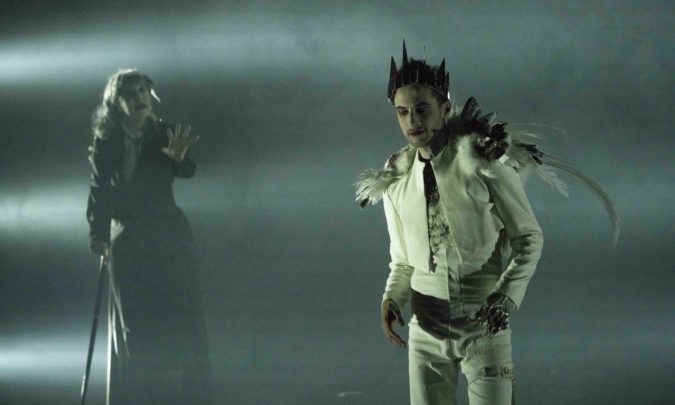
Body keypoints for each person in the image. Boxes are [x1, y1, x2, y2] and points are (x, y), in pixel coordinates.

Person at [355, 42, 545, 405]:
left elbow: (529, 237)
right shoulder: (396, 176)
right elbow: (403, 259)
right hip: (426, 329)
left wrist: (505, 297)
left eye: (422, 109)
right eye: (403, 112)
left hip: (484, 324)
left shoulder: (482, 161)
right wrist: (393, 298)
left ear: (445, 108)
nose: (413, 121)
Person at [86, 69, 213, 404]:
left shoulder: (164, 132)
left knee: (174, 322)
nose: (139, 97)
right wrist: (98, 233)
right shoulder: (107, 141)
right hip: (128, 241)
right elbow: (99, 191)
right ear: (116, 102)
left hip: (167, 237)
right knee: (136, 327)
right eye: (130, 93)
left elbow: (188, 169)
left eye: (143, 90)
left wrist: (180, 159)